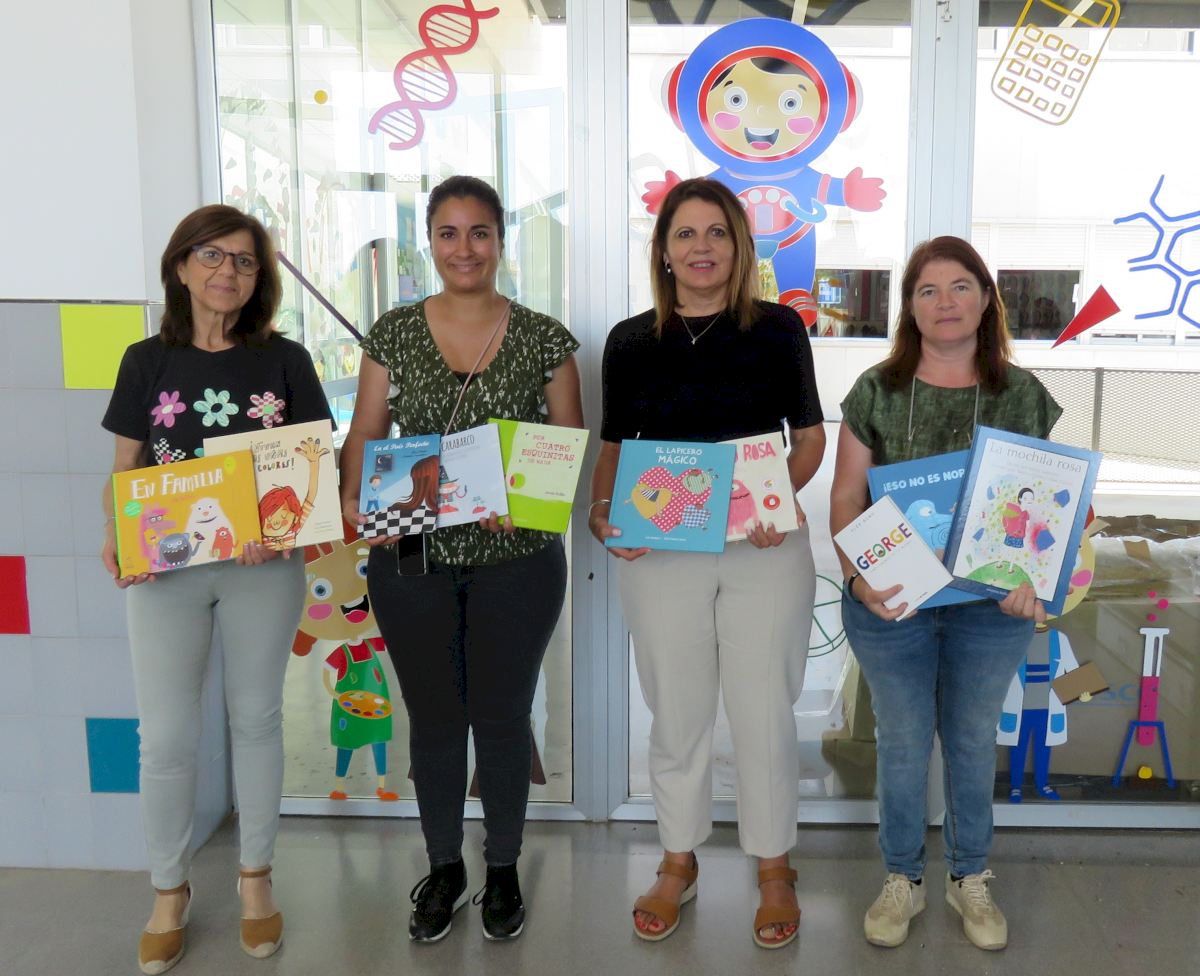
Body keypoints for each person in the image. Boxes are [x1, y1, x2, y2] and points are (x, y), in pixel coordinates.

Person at [338, 175, 583, 943]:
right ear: (431, 243)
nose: (465, 248)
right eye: (449, 232)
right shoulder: (394, 332)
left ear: (500, 240)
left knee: (503, 718)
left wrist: (531, 496)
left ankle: (502, 867)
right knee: (436, 720)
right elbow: (366, 432)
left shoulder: (544, 337)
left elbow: (564, 445)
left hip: (517, 558)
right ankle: (444, 866)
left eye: (480, 232)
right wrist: (354, 499)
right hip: (412, 556)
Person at [589, 178, 826, 949]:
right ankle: (678, 859)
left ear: (739, 245)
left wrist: (776, 501)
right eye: (685, 234)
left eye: (716, 232)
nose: (701, 247)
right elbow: (615, 446)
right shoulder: (631, 341)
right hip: (662, 549)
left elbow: (809, 439)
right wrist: (601, 511)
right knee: (678, 712)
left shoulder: (779, 328)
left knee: (764, 711)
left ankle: (774, 867)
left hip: (765, 549)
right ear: (663, 250)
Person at [100, 205, 333, 974]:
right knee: (165, 737)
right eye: (211, 255)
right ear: (180, 265)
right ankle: (169, 890)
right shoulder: (145, 360)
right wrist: (118, 536)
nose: (227, 271)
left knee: (257, 719)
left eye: (244, 259)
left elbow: (313, 468)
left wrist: (286, 526)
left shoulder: (286, 360)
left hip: (261, 568)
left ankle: (256, 880)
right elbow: (125, 471)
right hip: (165, 569)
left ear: (259, 277)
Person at [829, 235, 1062, 952]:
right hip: (892, 603)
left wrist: (1034, 582)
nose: (945, 302)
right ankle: (902, 877)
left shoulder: (1022, 394)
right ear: (909, 307)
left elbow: (1051, 507)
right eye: (927, 290)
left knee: (969, 741)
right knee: (902, 743)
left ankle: (968, 876)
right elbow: (845, 499)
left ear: (987, 298)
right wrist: (859, 578)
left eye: (960, 286)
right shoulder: (876, 389)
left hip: (990, 610)